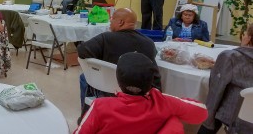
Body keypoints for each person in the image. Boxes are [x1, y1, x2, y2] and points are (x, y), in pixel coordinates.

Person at [74, 52, 208, 134]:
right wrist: (160, 96)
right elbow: (201, 113)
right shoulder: (163, 102)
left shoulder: (100, 106)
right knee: (174, 121)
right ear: (151, 82)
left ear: (118, 80)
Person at [77, 8, 161, 114]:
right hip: (140, 94)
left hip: (109, 90)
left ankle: (86, 113)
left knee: (84, 77)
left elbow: (82, 51)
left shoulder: (106, 38)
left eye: (112, 19)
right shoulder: (149, 43)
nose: (110, 23)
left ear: (120, 22)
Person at [198, 24, 253, 134]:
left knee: (218, 99)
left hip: (235, 117)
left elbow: (215, 93)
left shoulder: (231, 56)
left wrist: (207, 123)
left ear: (249, 38)